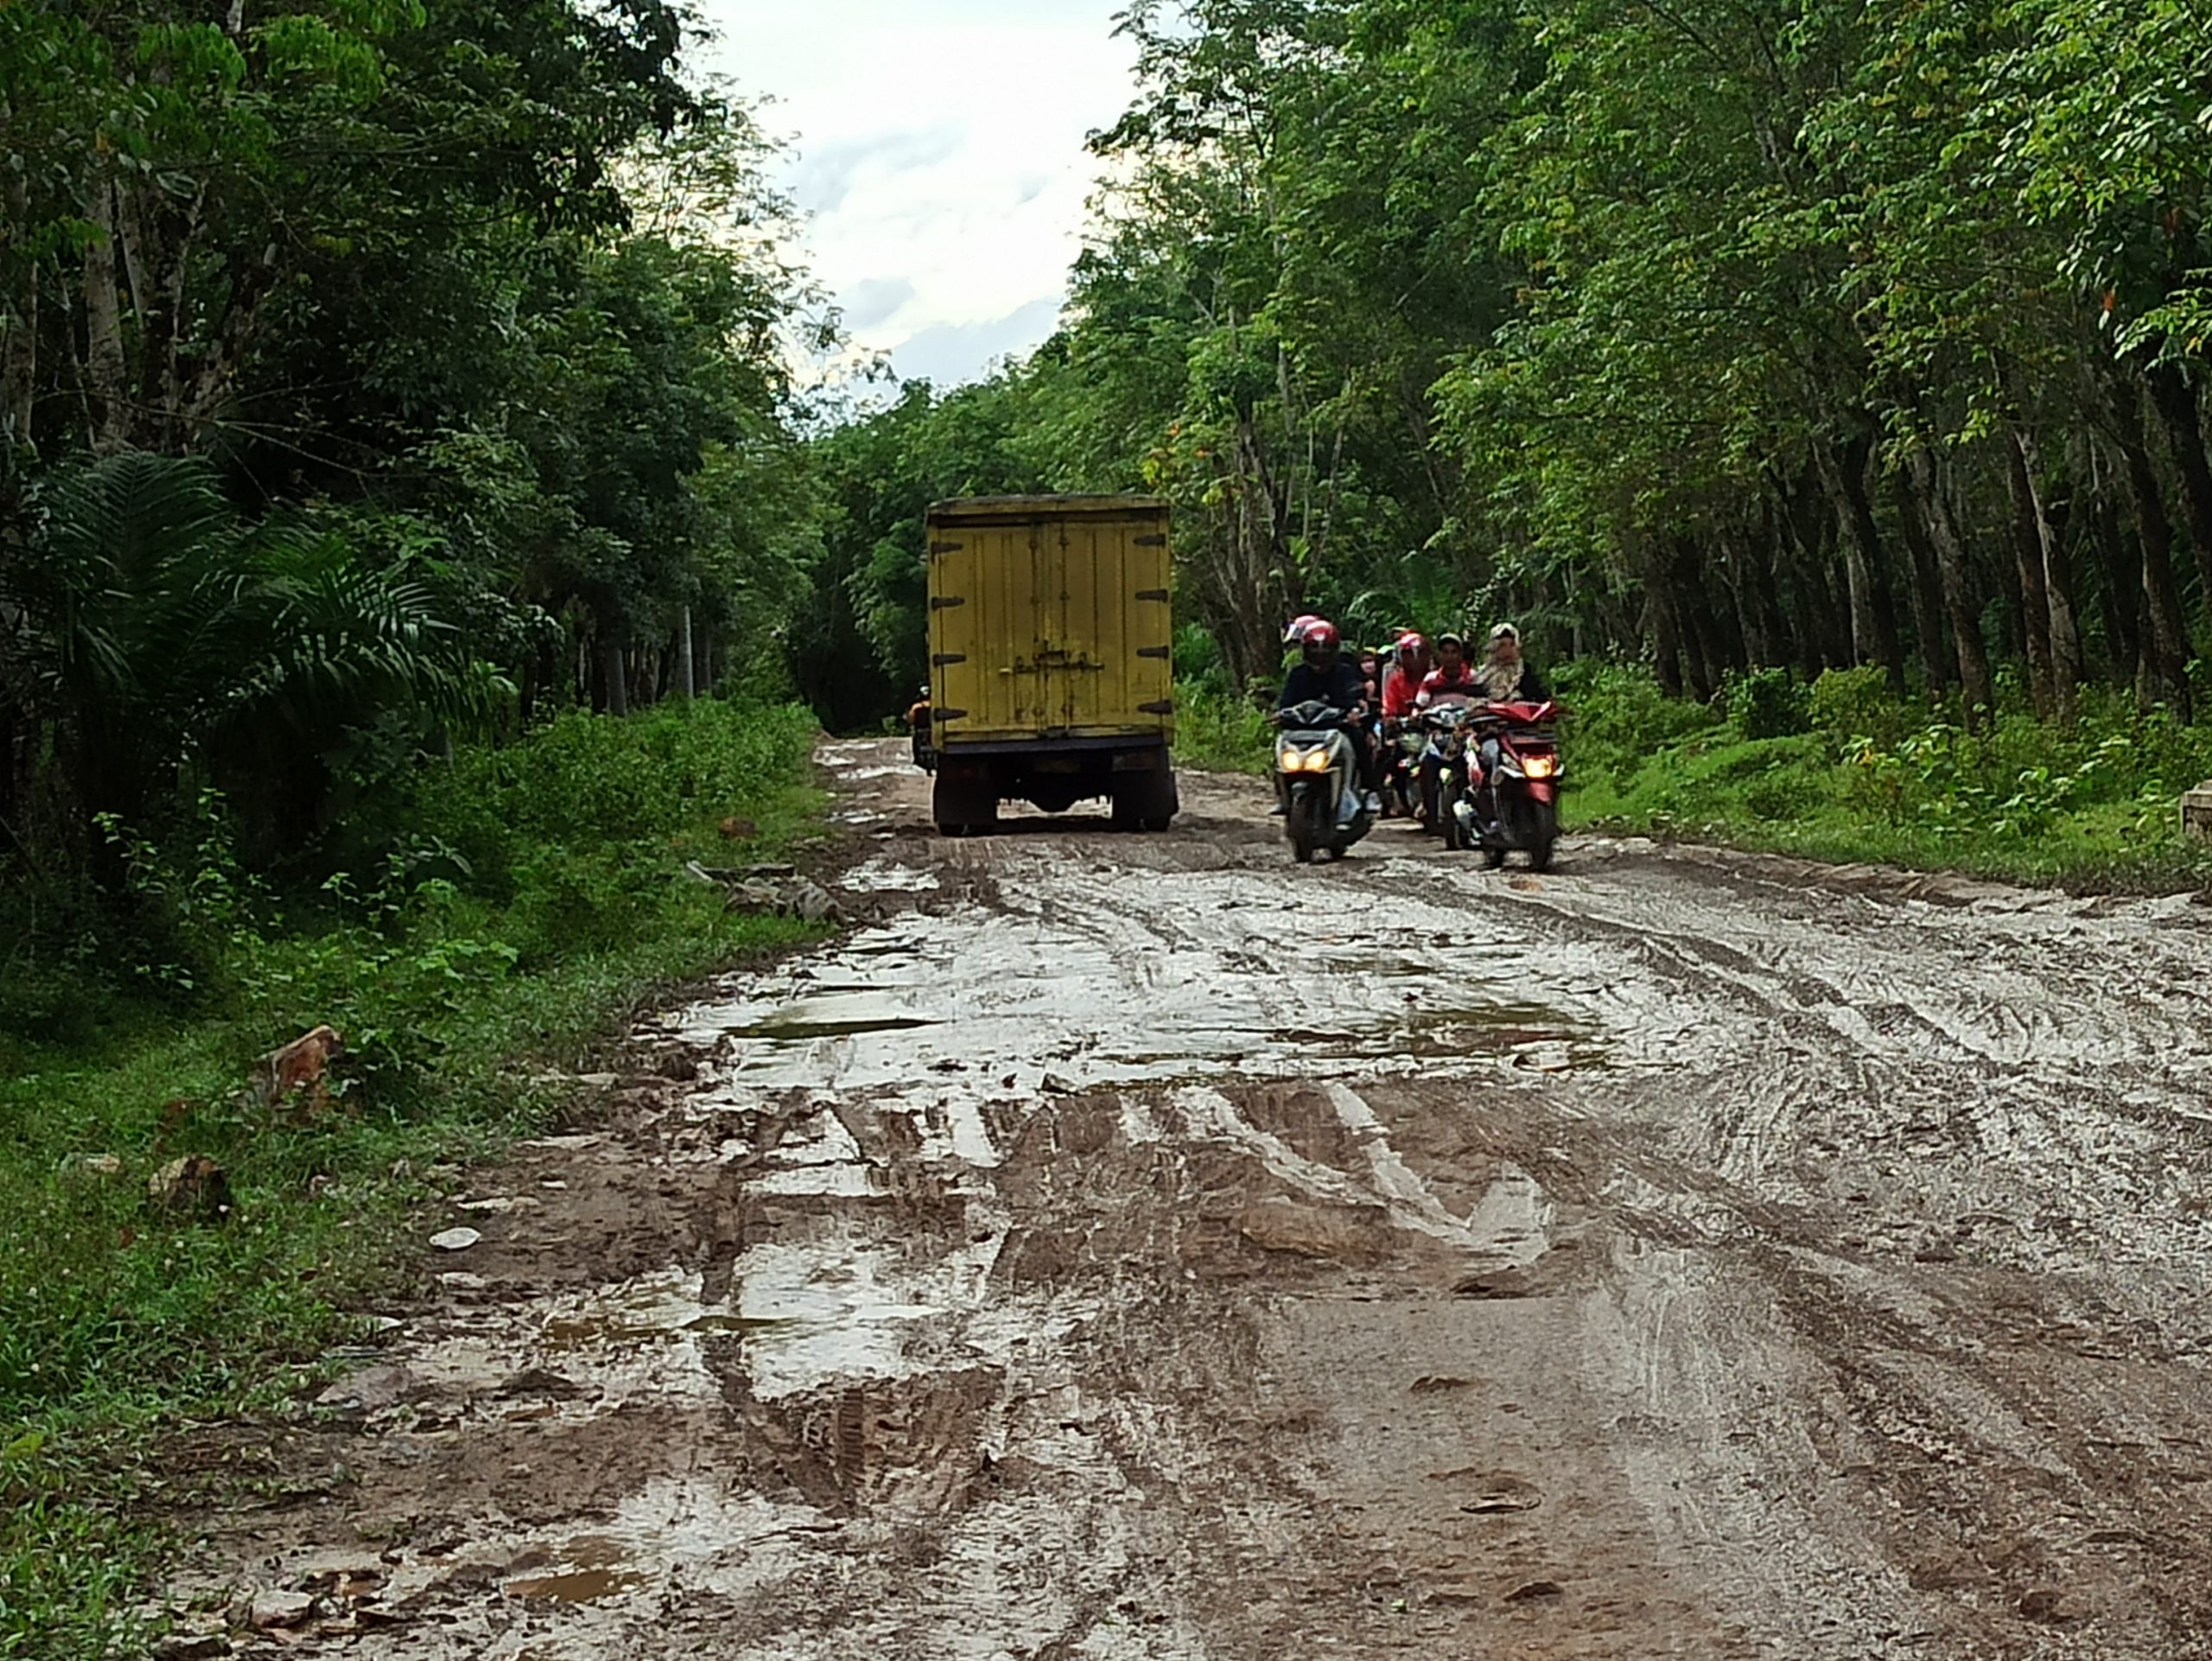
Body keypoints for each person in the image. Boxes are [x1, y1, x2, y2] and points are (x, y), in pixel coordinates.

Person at [1274, 620, 1380, 807]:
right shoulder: (1298, 674)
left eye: (1325, 649)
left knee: (1358, 740)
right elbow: (1286, 702)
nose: (1319, 654)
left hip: (1335, 728)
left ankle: (1368, 790)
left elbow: (1352, 697)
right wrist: (1280, 714)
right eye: (1314, 648)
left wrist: (1353, 712)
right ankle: (1282, 794)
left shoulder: (1344, 672)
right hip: (1301, 729)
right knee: (1279, 747)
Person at [1468, 623, 1552, 837]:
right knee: (1493, 759)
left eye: (1511, 644)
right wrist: (1482, 713)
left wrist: (1548, 711)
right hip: (1493, 734)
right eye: (1502, 645)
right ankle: (1493, 816)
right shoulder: (1483, 677)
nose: (1507, 650)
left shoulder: (1526, 673)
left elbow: (1541, 699)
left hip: (1524, 735)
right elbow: (1472, 704)